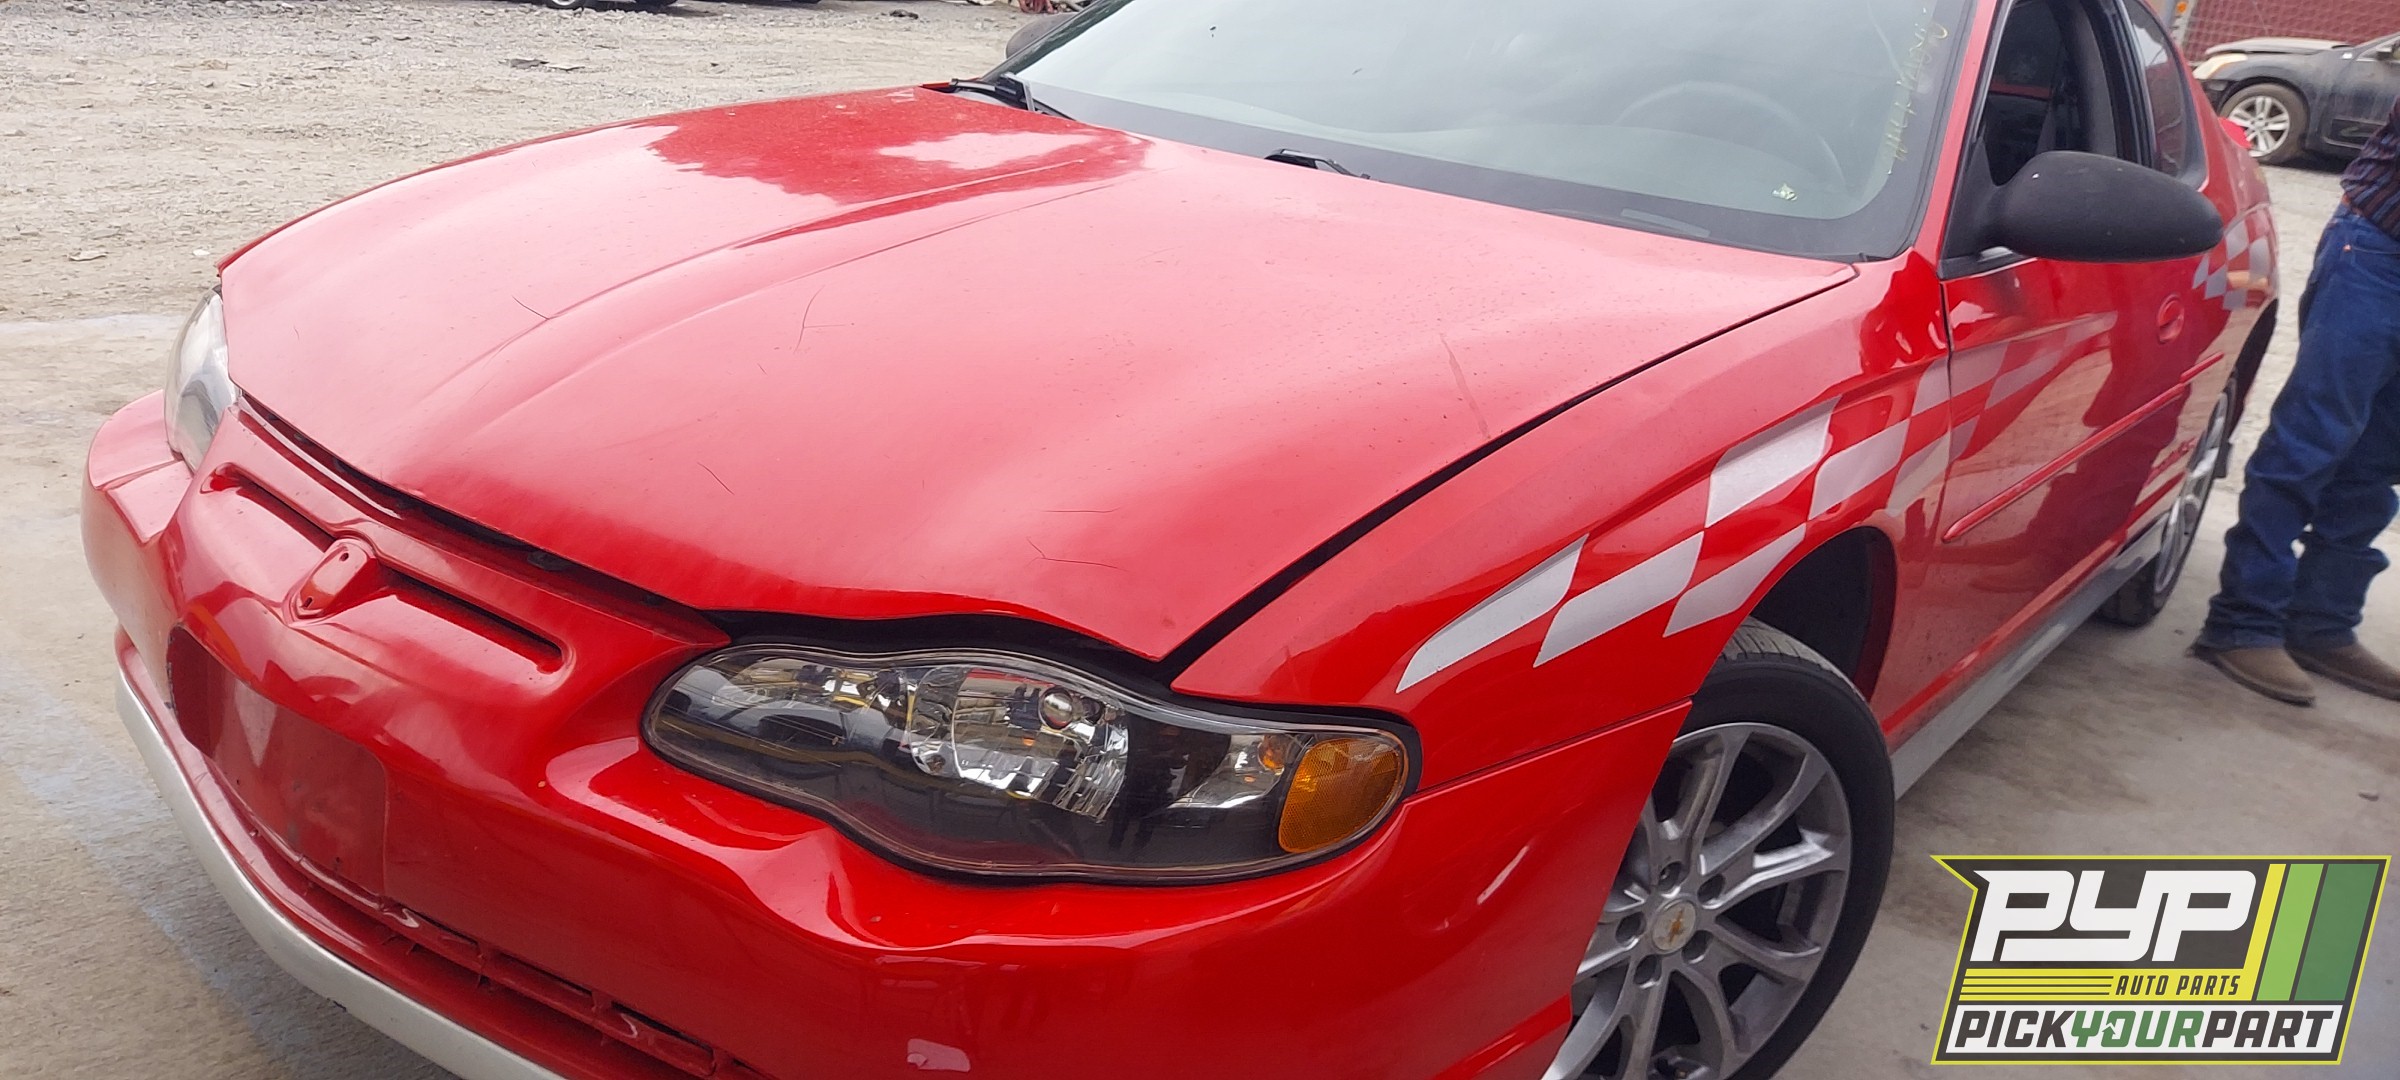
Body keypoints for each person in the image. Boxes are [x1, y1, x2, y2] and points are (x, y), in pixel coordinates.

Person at [2197, 98, 2400, 706]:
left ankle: (2320, 624)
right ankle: (2243, 622)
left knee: (2380, 457)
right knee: (2312, 438)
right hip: (2379, 254)